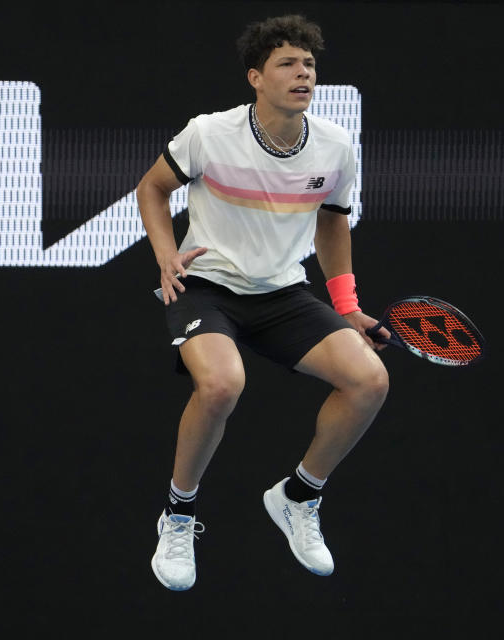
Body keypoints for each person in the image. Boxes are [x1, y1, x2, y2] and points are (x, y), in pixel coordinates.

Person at [136, 14, 389, 591]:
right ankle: (178, 515)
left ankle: (299, 496)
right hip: (207, 285)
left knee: (369, 381)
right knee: (222, 385)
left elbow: (332, 225)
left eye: (309, 65)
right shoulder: (208, 133)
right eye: (288, 64)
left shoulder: (334, 146)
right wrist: (165, 253)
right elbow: (152, 188)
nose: (304, 74)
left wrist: (346, 306)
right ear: (256, 77)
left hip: (282, 292)